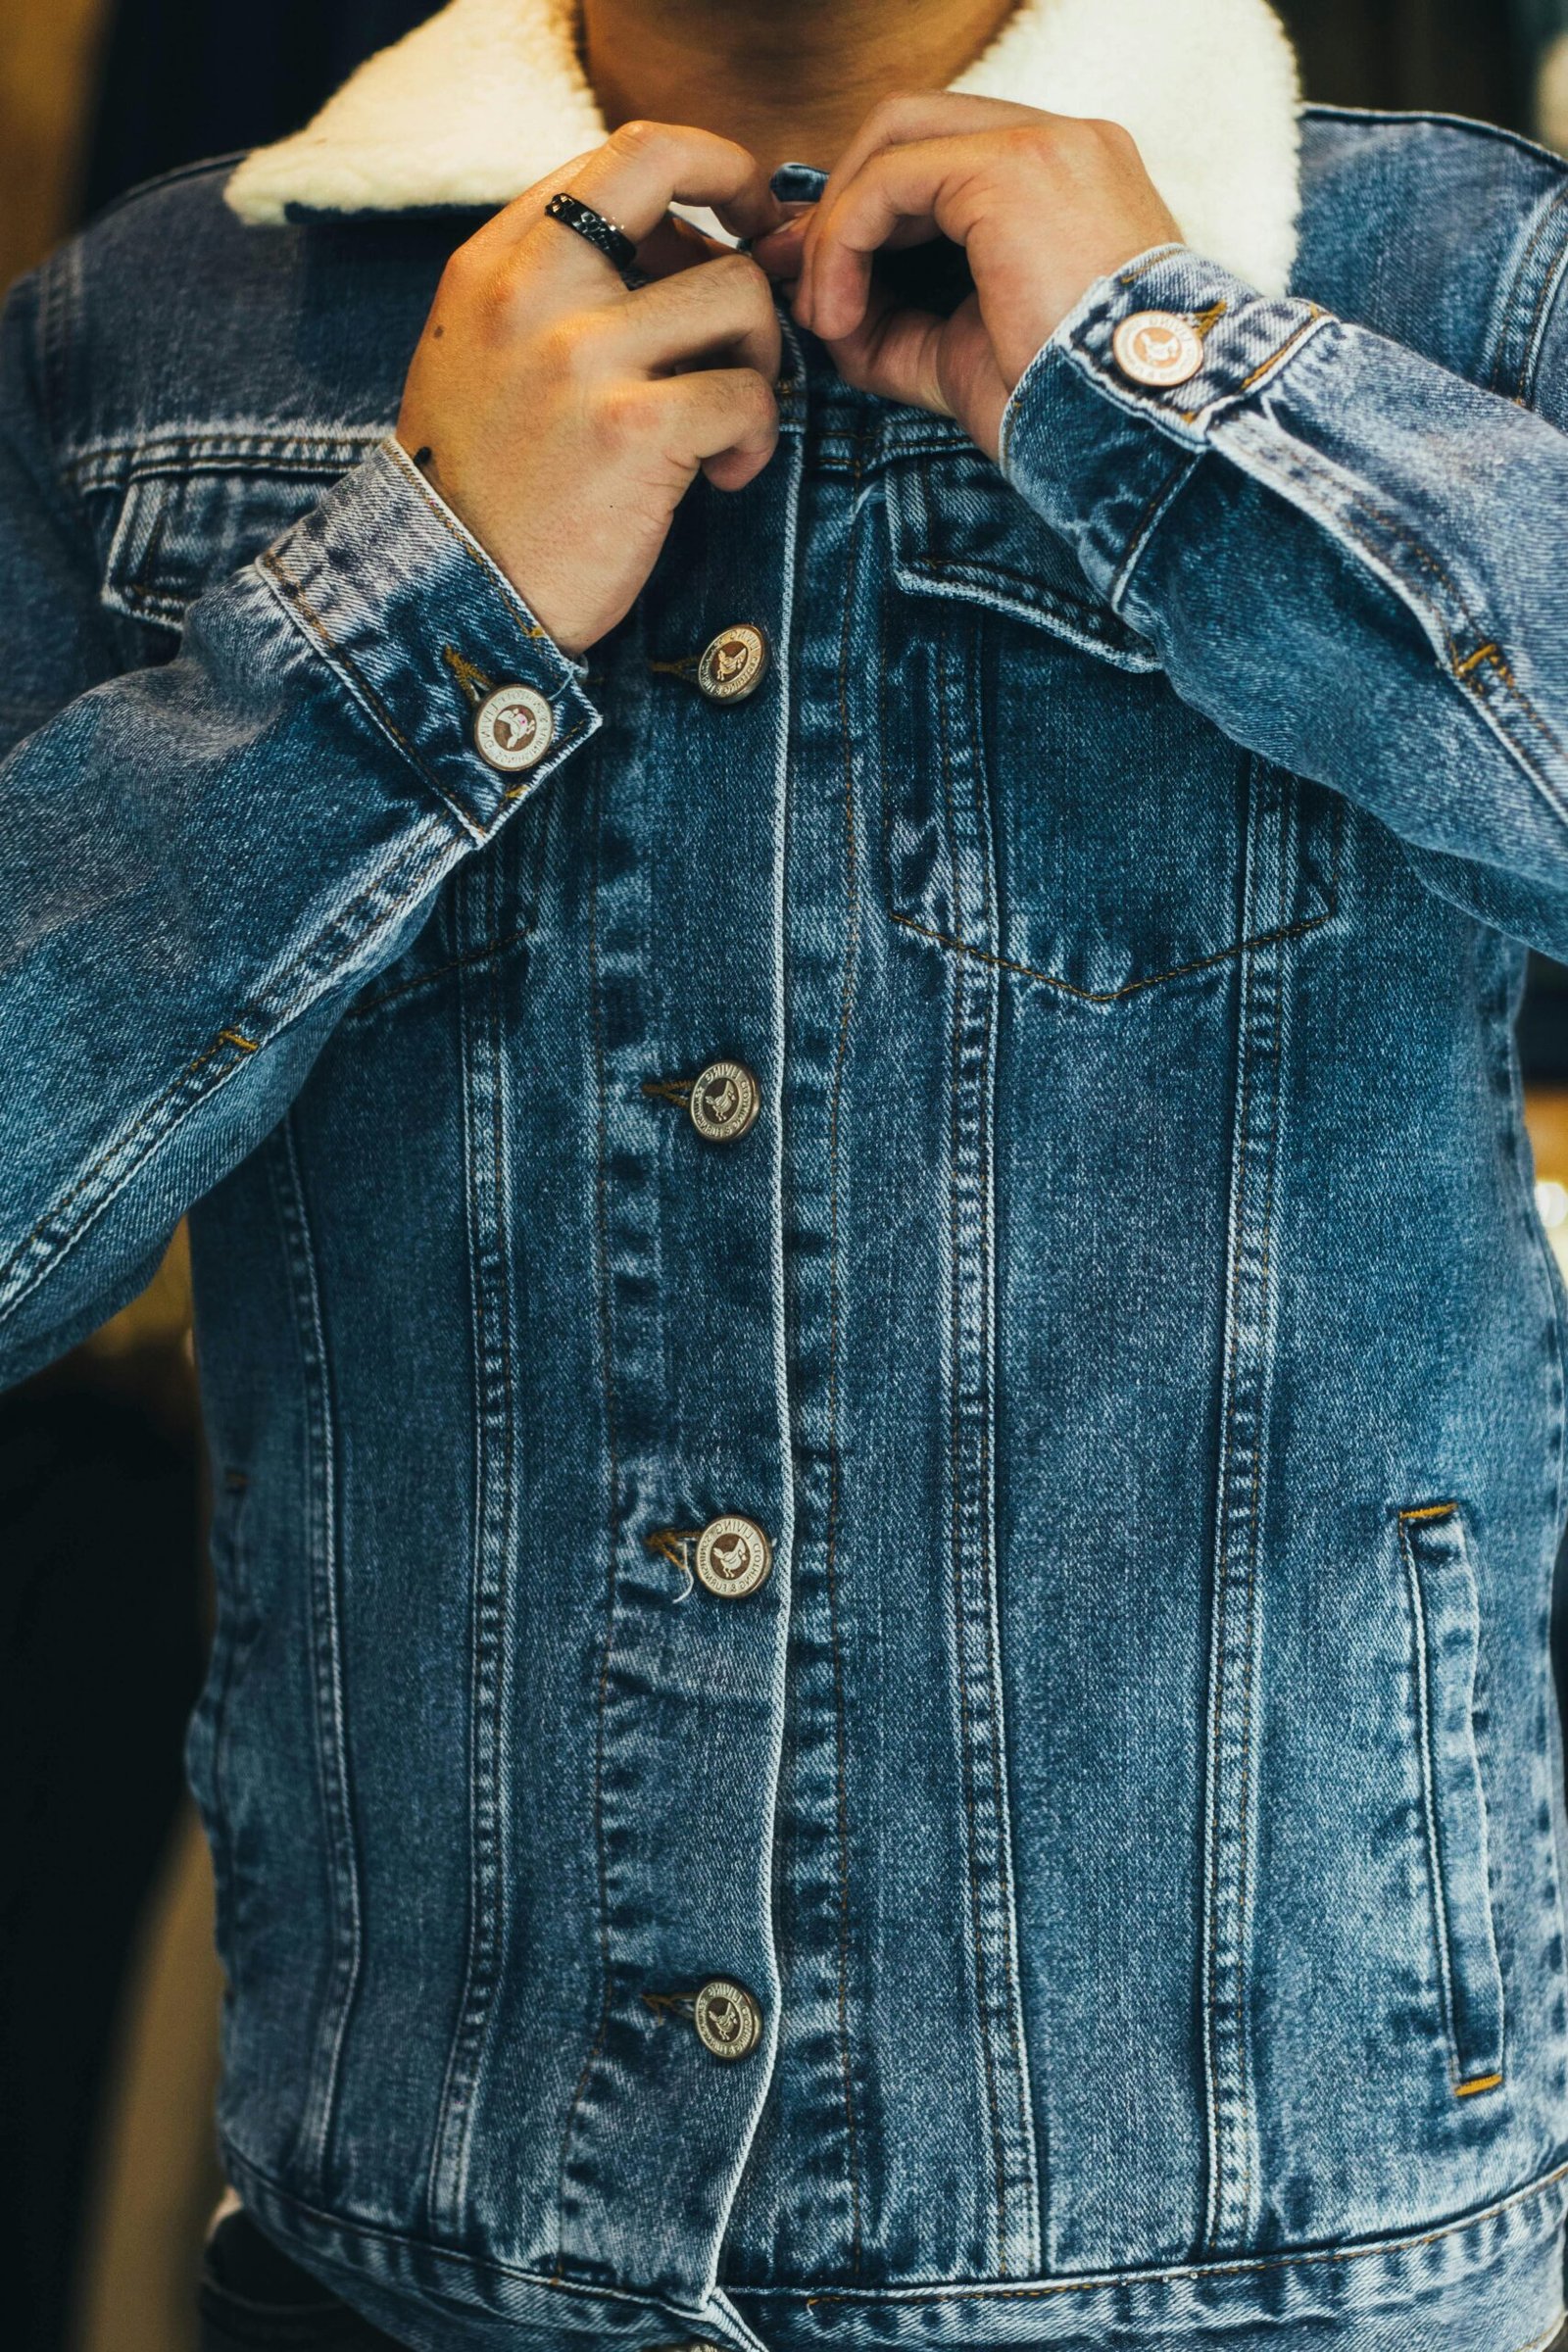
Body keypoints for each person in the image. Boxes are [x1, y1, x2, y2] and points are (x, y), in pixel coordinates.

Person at [6, 0, 1568, 2345]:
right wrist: (409, 610)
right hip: (426, 2262)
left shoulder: (1451, 287)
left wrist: (1179, 387)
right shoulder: (152, 348)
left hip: (1269, 2275)